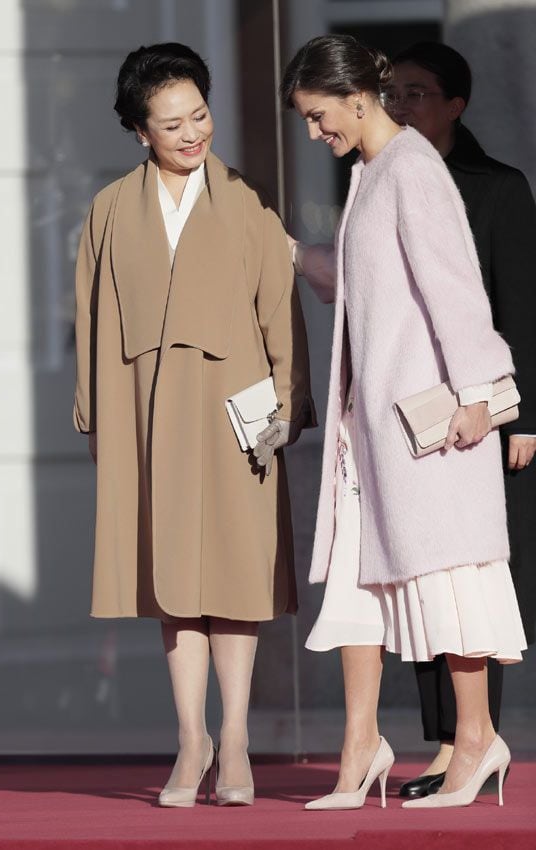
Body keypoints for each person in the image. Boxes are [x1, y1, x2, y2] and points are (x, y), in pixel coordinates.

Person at [281, 34, 527, 811]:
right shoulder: (374, 171)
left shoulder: (412, 169)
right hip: (376, 427)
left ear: (356, 98)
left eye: (320, 117)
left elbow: (456, 292)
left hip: (430, 424)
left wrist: (484, 395)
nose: (317, 134)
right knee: (358, 584)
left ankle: (478, 739)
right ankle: (361, 748)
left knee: (450, 580)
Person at [73, 42, 315, 808]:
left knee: (237, 576)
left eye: (200, 114)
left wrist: (287, 404)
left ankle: (236, 736)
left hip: (238, 415)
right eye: (171, 123)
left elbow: (280, 313)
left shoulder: (245, 199)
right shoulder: (111, 208)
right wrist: (97, 420)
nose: (192, 133)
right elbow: (93, 319)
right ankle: (192, 738)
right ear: (139, 131)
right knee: (174, 580)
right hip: (150, 415)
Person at [382, 41, 536, 798]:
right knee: (423, 574)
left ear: (455, 105)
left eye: (416, 92)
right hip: (413, 414)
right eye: (394, 93)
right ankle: (445, 741)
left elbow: (524, 309)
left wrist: (525, 416)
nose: (401, 105)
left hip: (482, 418)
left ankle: (478, 738)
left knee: (475, 579)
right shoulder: (380, 182)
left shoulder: (496, 187)